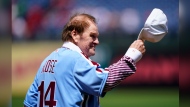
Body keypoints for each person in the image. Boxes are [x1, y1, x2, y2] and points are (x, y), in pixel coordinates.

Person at [24, 13, 146, 107]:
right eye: (92, 36)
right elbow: (107, 81)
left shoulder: (48, 60)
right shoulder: (76, 60)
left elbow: (30, 103)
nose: (97, 41)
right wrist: (131, 56)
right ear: (75, 34)